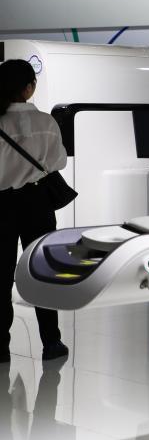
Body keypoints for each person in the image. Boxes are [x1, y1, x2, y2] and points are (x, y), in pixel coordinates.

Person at [0, 59, 69, 363]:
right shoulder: (46, 123)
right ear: (29, 88)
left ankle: (1, 348)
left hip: (1, 204)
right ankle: (51, 343)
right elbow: (58, 162)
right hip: (38, 202)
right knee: (41, 271)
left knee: (1, 276)